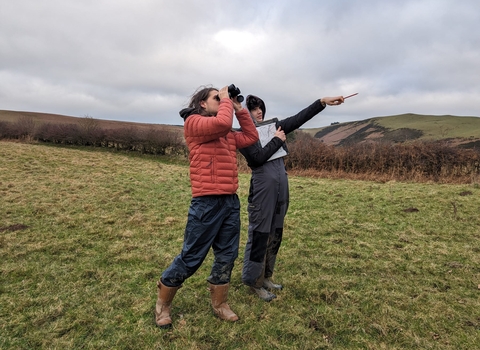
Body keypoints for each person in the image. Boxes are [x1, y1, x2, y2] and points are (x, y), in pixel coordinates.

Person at [154, 86, 259, 328]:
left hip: (230, 201)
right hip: (206, 202)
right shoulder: (193, 122)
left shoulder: (225, 133)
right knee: (192, 256)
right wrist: (225, 101)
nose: (222, 101)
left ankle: (220, 304)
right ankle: (163, 303)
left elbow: (251, 137)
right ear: (202, 103)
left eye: (222, 98)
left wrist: (239, 109)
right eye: (216, 98)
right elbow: (222, 123)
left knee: (227, 255)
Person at [239, 94, 344, 301]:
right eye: (253, 109)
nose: (258, 111)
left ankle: (267, 276)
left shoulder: (276, 126)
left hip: (280, 188)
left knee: (276, 232)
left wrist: (321, 102)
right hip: (262, 191)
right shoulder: (244, 135)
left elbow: (298, 118)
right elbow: (257, 158)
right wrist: (278, 140)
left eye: (260, 107)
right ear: (245, 113)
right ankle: (253, 281)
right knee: (260, 234)